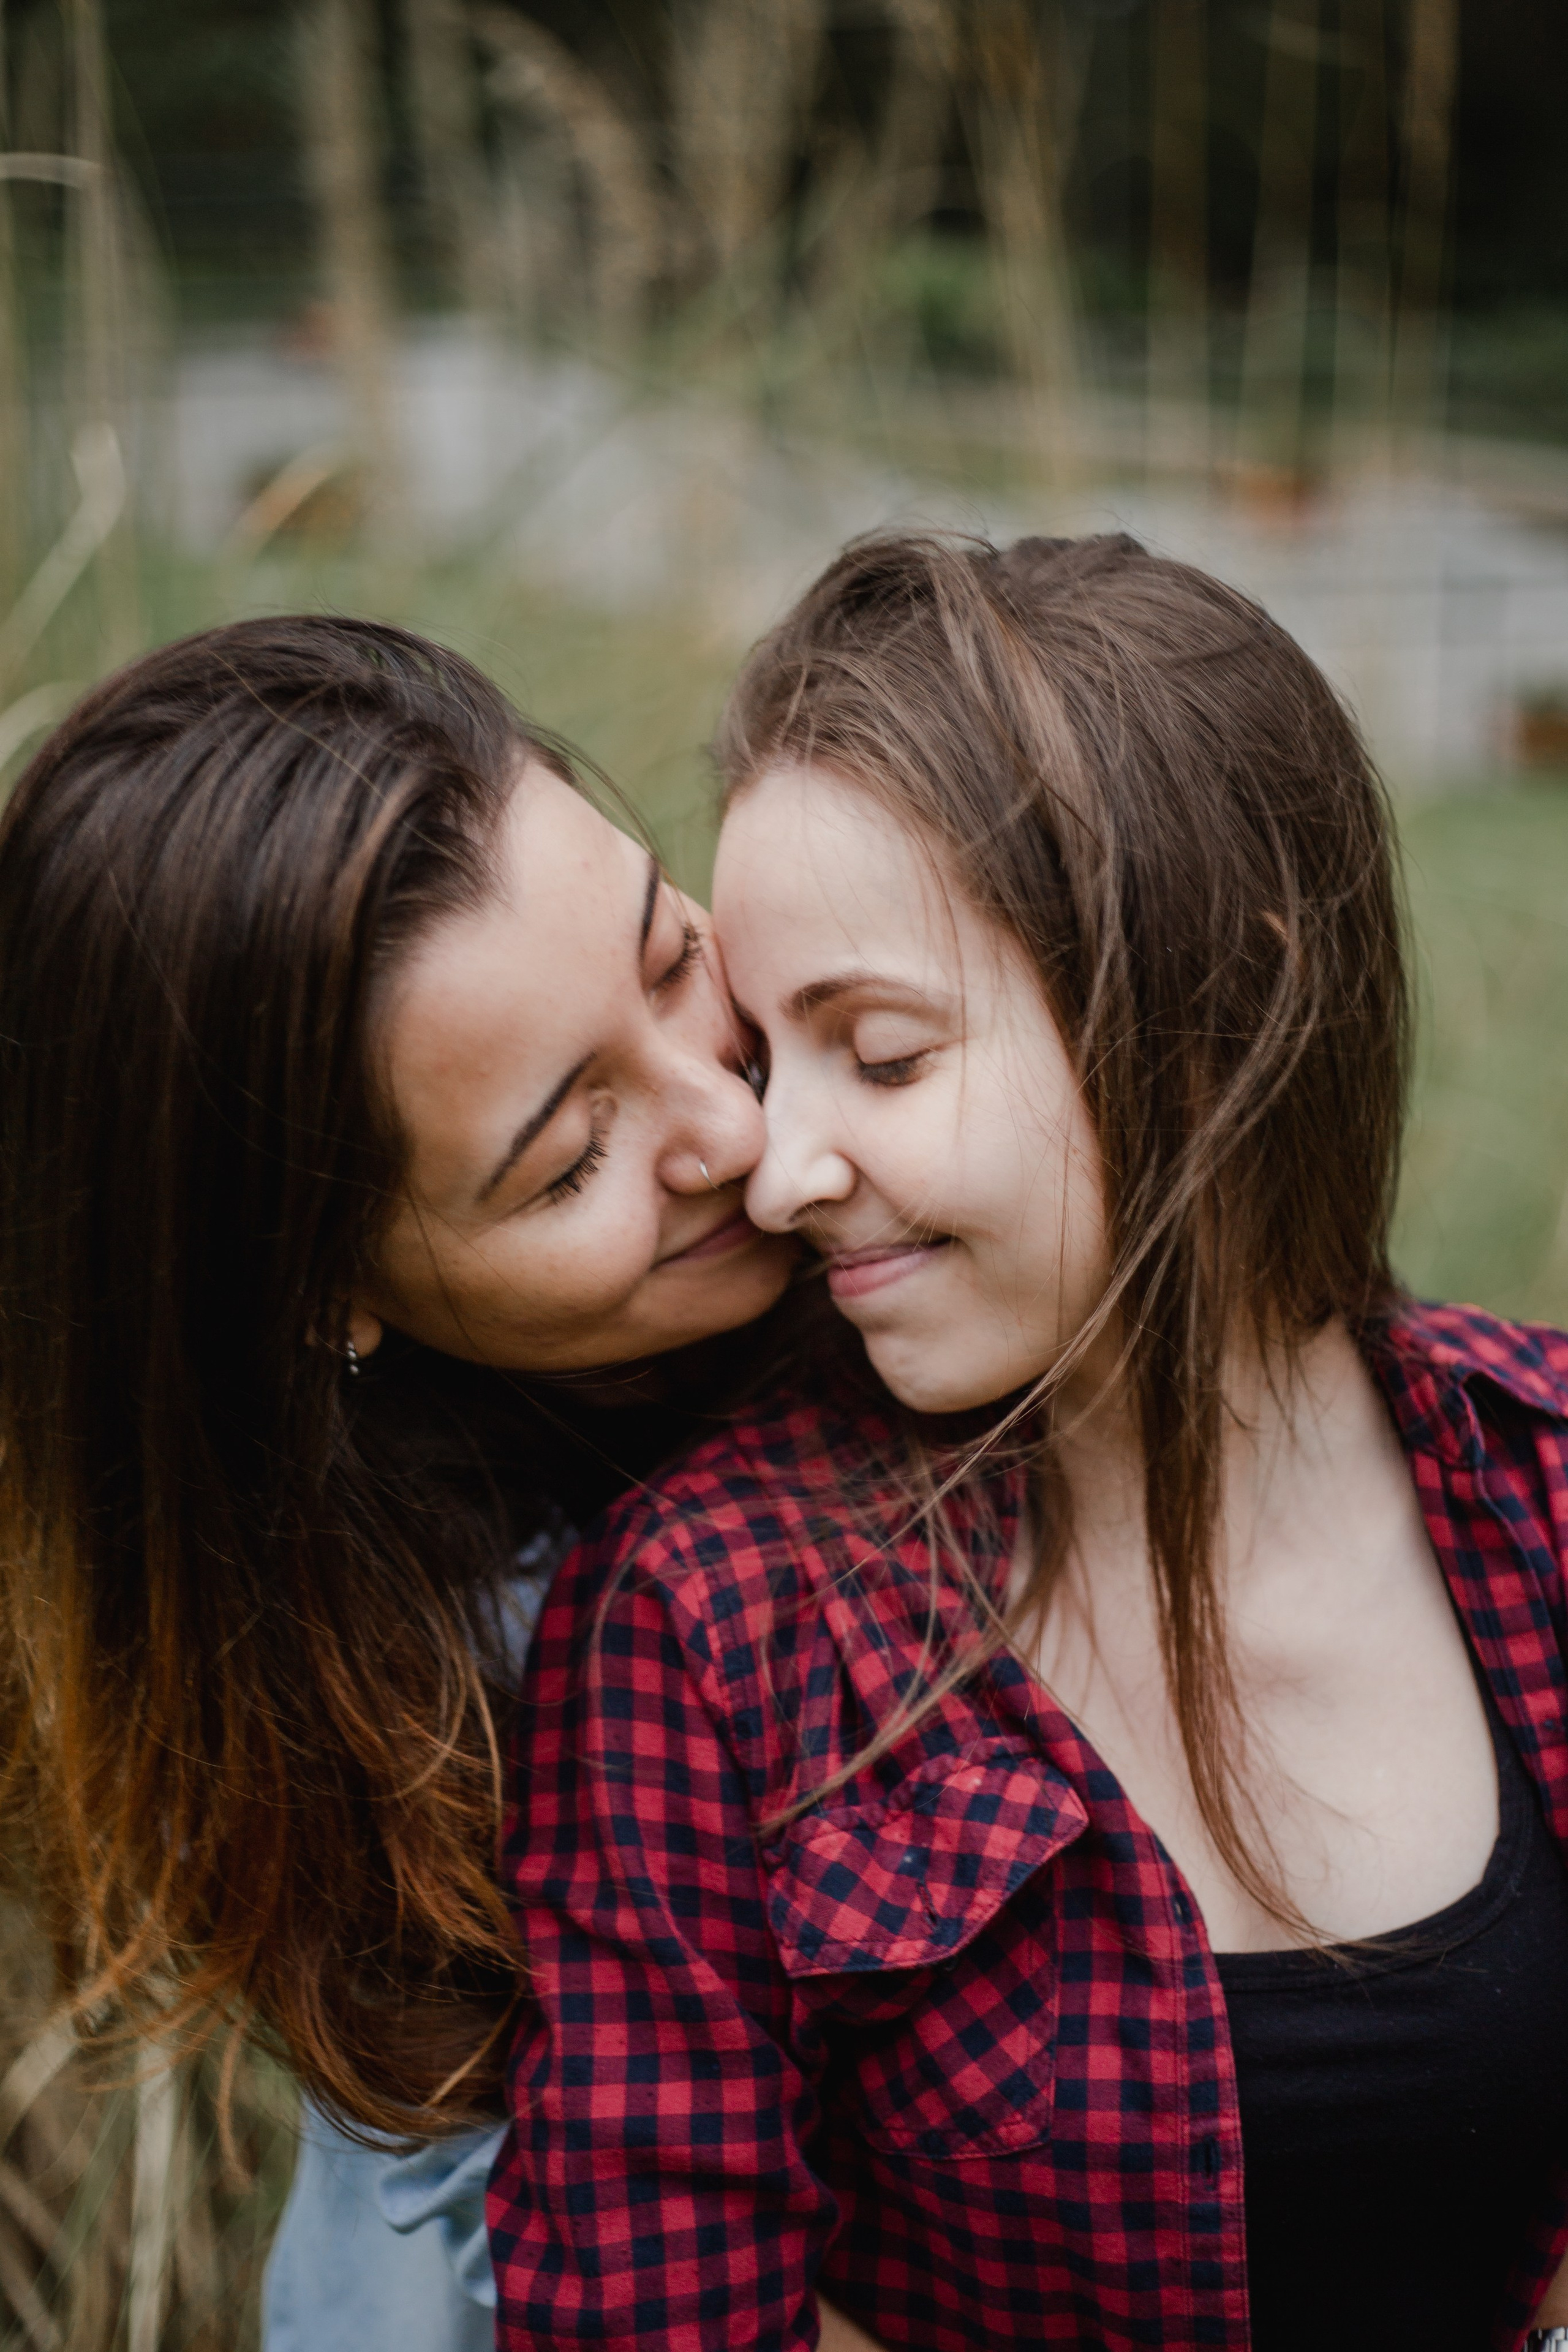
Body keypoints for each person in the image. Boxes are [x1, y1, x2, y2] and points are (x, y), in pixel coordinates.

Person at [488, 533, 1568, 2351]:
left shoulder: (1541, 1483)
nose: (776, 1159)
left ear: (1225, 1003)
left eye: (884, 1056)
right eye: (771, 1052)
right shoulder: (716, 1624)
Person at [0, 614, 815, 2347]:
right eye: (573, 1159)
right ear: (323, 1296)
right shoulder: (454, 1701)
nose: (731, 1127)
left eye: (672, 956)